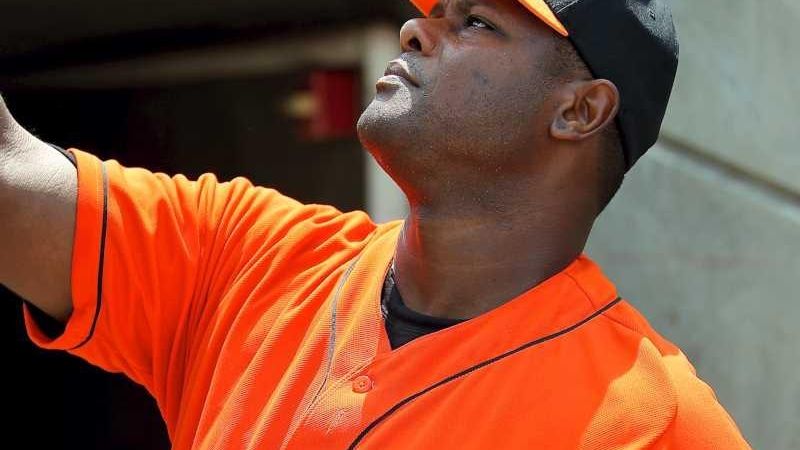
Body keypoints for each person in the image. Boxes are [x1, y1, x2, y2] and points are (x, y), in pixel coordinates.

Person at [0, 0, 752, 448]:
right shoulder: (253, 254)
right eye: (432, 13)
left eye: (476, 22)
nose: (415, 31)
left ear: (580, 110)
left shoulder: (656, 423)